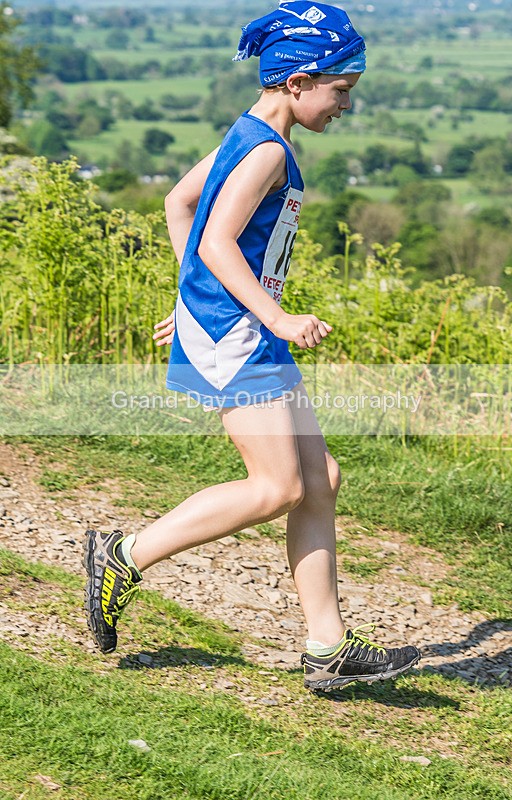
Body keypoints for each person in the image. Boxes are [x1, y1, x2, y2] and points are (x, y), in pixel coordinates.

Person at [84, 1, 420, 692]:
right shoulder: (267, 149)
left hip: (235, 323)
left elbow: (179, 204)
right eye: (340, 90)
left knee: (319, 479)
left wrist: (192, 299)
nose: (345, 105)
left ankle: (327, 646)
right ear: (298, 81)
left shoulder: (248, 133)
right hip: (239, 334)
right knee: (277, 487)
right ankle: (124, 555)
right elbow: (214, 240)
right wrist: (277, 316)